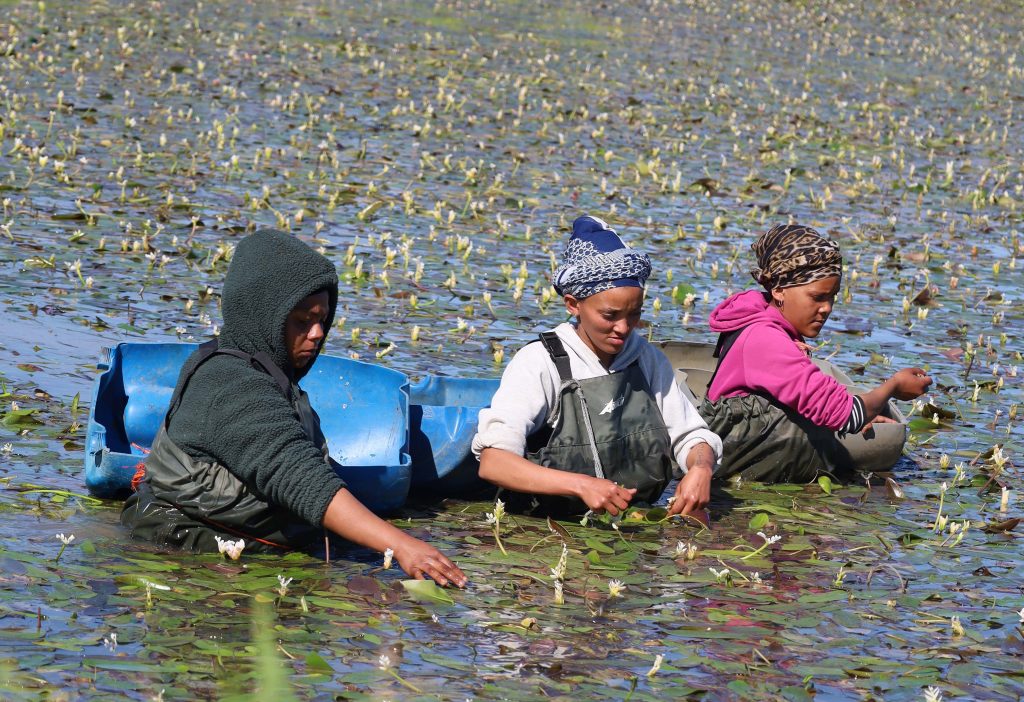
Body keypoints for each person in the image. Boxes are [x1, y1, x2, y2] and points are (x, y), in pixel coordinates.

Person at [122, 229, 466, 587]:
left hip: (256, 547)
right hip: (192, 558)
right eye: (302, 321)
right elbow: (301, 479)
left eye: (323, 320)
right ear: (263, 316)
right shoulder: (229, 383)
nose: (317, 334)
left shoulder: (269, 375)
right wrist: (401, 545)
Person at [472, 215, 723, 518]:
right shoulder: (540, 362)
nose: (623, 328)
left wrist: (701, 467)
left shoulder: (646, 359)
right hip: (546, 527)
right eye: (609, 315)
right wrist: (580, 485)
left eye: (634, 314)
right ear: (573, 304)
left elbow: (691, 436)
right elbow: (494, 462)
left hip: (634, 518)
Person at [700, 223, 932, 482]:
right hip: (724, 459)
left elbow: (821, 403)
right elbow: (842, 414)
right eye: (817, 297)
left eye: (832, 297)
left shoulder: (768, 322)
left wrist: (865, 413)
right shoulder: (764, 339)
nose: (826, 308)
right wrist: (894, 387)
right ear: (778, 289)